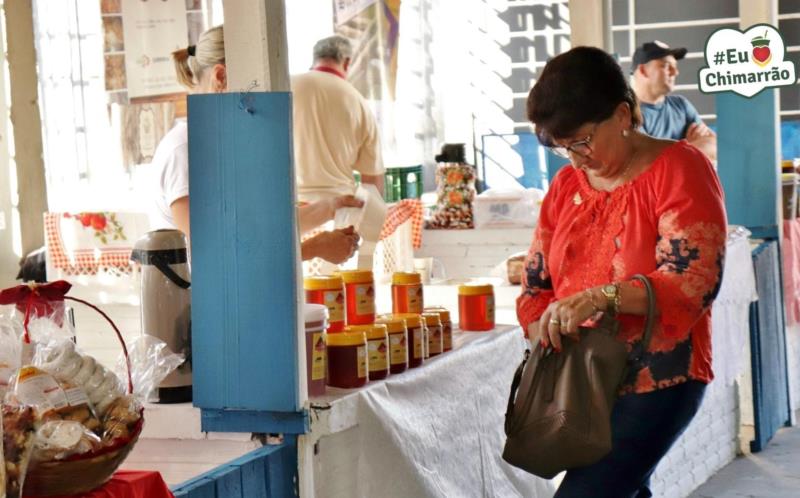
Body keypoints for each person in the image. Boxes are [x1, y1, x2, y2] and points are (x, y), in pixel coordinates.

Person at [518, 46, 727, 497]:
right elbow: (537, 282)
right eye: (561, 148)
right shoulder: (565, 186)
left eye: (582, 141)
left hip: (658, 376)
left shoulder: (679, 168)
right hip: (584, 381)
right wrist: (543, 332)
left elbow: (694, 280)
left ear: (622, 114)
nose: (575, 159)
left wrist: (599, 298)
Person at [149, 25, 361, 264]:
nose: (264, 100)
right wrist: (313, 248)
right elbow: (220, 250)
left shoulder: (223, 144)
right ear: (221, 77)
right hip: (191, 298)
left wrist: (331, 208)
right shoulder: (185, 150)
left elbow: (258, 232)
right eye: (258, 87)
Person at [291, 35, 385, 201]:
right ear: (347, 62)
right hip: (340, 211)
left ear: (315, 59)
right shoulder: (358, 102)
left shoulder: (288, 88)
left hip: (292, 208)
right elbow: (372, 181)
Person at [631, 40, 717, 161]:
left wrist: (679, 153)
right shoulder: (630, 115)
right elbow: (651, 167)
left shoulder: (681, 105)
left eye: (675, 66)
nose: (675, 72)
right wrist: (690, 147)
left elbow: (714, 146)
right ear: (643, 71)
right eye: (666, 66)